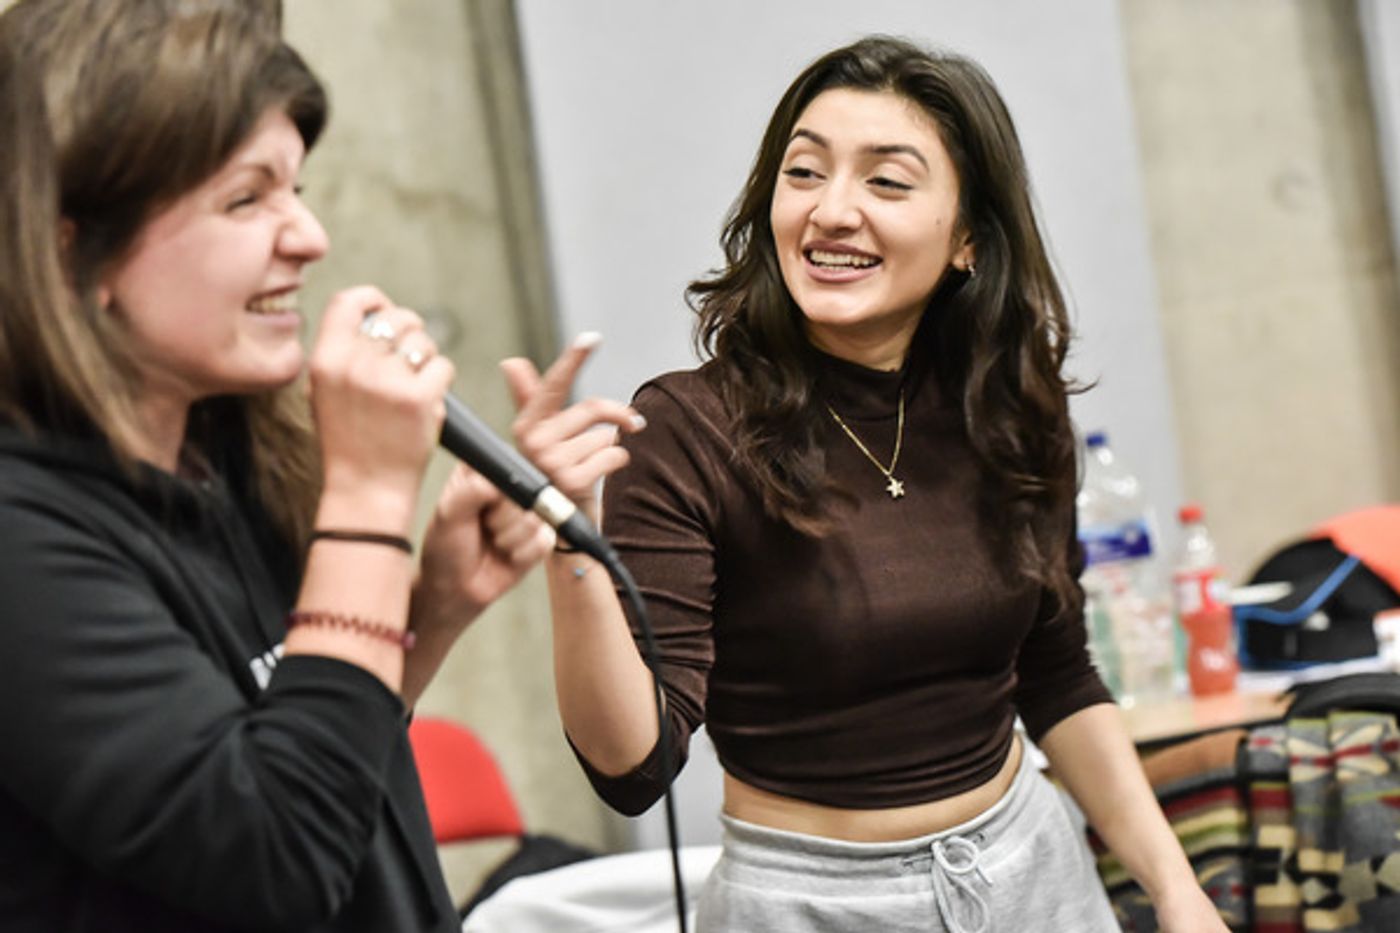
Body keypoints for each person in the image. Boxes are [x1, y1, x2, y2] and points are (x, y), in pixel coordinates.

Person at [504, 36, 1229, 932]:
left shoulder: (1009, 408)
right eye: (804, 173)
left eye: (887, 182)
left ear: (968, 237)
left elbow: (1058, 675)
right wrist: (570, 541)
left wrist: (1174, 887)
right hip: (809, 902)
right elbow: (631, 766)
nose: (832, 211)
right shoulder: (689, 432)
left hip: (1033, 872)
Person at [0, 1, 552, 930]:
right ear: (72, 245)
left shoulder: (223, 455)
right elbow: (273, 857)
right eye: (247, 198)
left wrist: (428, 609)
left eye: (296, 190)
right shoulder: (22, 533)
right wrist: (371, 492)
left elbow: (305, 757)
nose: (308, 236)